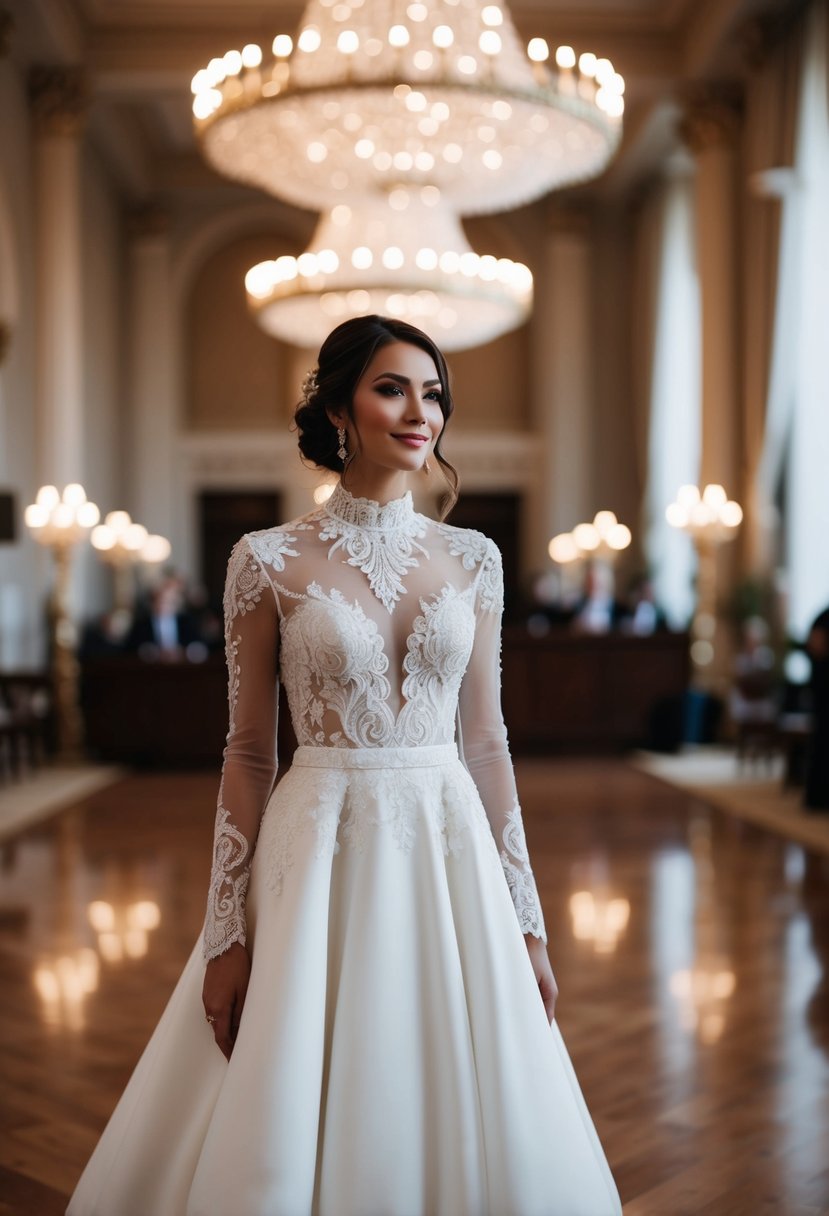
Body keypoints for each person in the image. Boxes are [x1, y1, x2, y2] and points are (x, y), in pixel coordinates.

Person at [68, 316, 622, 1216]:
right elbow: (249, 751)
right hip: (314, 851)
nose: (420, 413)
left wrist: (526, 918)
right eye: (392, 388)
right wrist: (225, 932)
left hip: (451, 859)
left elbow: (485, 741)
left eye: (433, 393)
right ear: (338, 409)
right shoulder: (266, 560)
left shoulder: (474, 559)